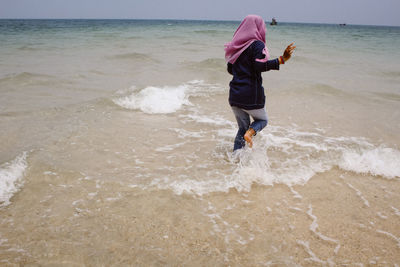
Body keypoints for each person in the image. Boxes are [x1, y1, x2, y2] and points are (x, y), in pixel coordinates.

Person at [224, 15, 295, 151]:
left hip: (234, 94)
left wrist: (243, 70)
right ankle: (250, 133)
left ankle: (236, 159)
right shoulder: (257, 44)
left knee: (242, 129)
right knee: (262, 121)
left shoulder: (237, 46)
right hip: (251, 94)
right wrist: (281, 59)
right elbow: (259, 66)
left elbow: (230, 69)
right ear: (257, 27)